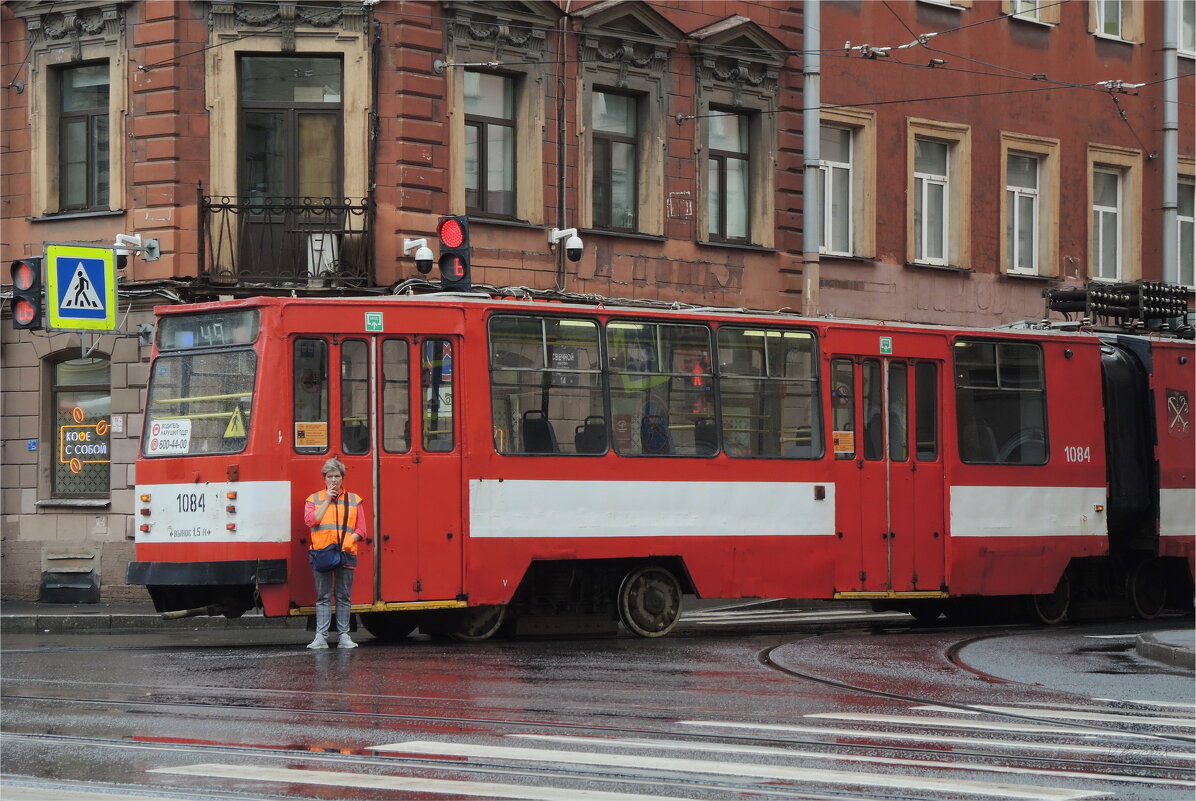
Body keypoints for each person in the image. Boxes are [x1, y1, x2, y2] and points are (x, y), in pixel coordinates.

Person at [304, 456, 367, 649]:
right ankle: (320, 637)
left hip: (346, 553)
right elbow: (310, 521)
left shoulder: (354, 500)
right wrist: (326, 501)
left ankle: (344, 636)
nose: (333, 480)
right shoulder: (313, 499)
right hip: (322, 554)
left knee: (343, 596)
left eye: (337, 476)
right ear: (324, 478)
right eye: (330, 476)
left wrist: (351, 540)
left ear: (342, 478)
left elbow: (362, 530)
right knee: (323, 597)